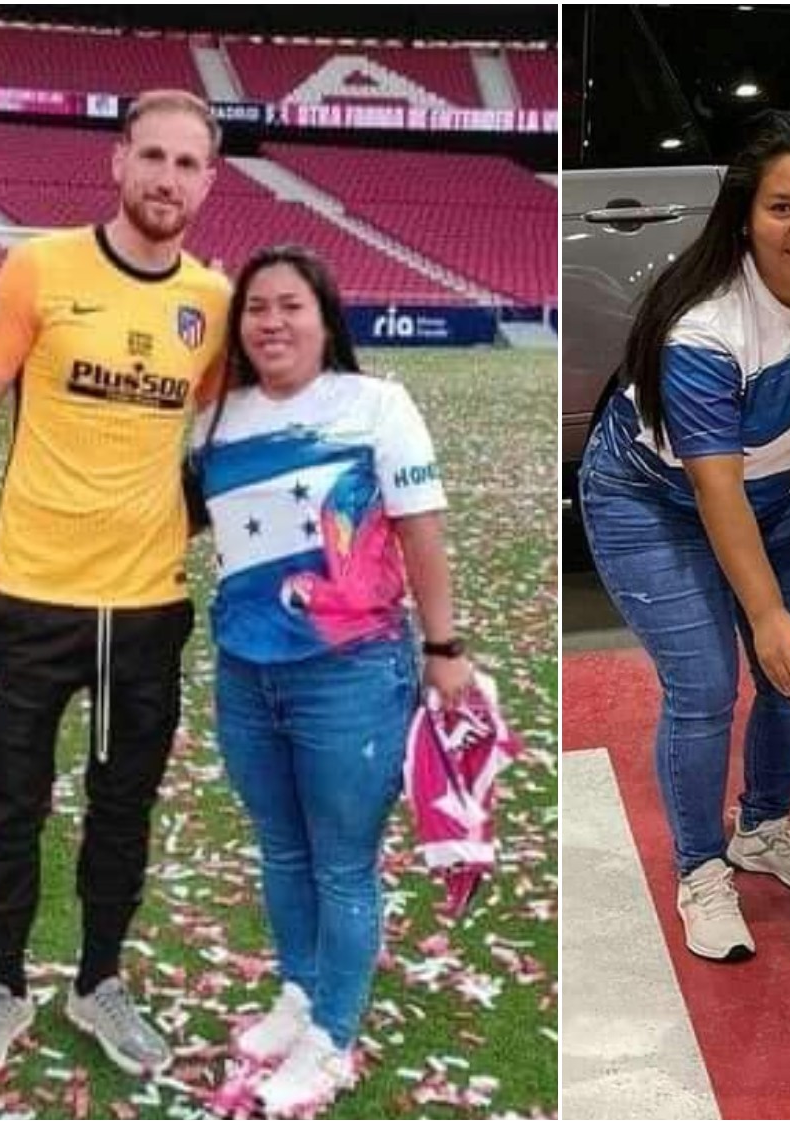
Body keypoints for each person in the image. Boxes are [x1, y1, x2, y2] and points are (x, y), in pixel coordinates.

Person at [0, 90, 230, 1092]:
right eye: (152, 156)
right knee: (10, 803)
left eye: (188, 164)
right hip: (28, 595)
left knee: (123, 806)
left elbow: (228, 440)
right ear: (117, 162)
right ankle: (6, 984)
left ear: (208, 179)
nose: (166, 179)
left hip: (146, 608)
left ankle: (98, 979)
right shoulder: (41, 268)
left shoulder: (213, 302)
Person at [579, 110, 790, 963]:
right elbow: (716, 490)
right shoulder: (705, 330)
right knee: (707, 685)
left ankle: (765, 826)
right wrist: (767, 612)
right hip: (654, 502)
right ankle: (700, 868)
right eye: (783, 208)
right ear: (744, 214)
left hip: (782, 496)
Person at [188, 245, 472, 1115]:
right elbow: (188, 525)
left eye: (291, 306)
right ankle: (301, 994)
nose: (271, 322)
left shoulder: (375, 405)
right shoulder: (214, 420)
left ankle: (332, 1036)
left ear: (324, 319)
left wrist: (444, 647)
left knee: (343, 864)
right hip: (245, 671)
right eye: (257, 308)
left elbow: (420, 533)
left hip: (350, 675)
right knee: (281, 849)